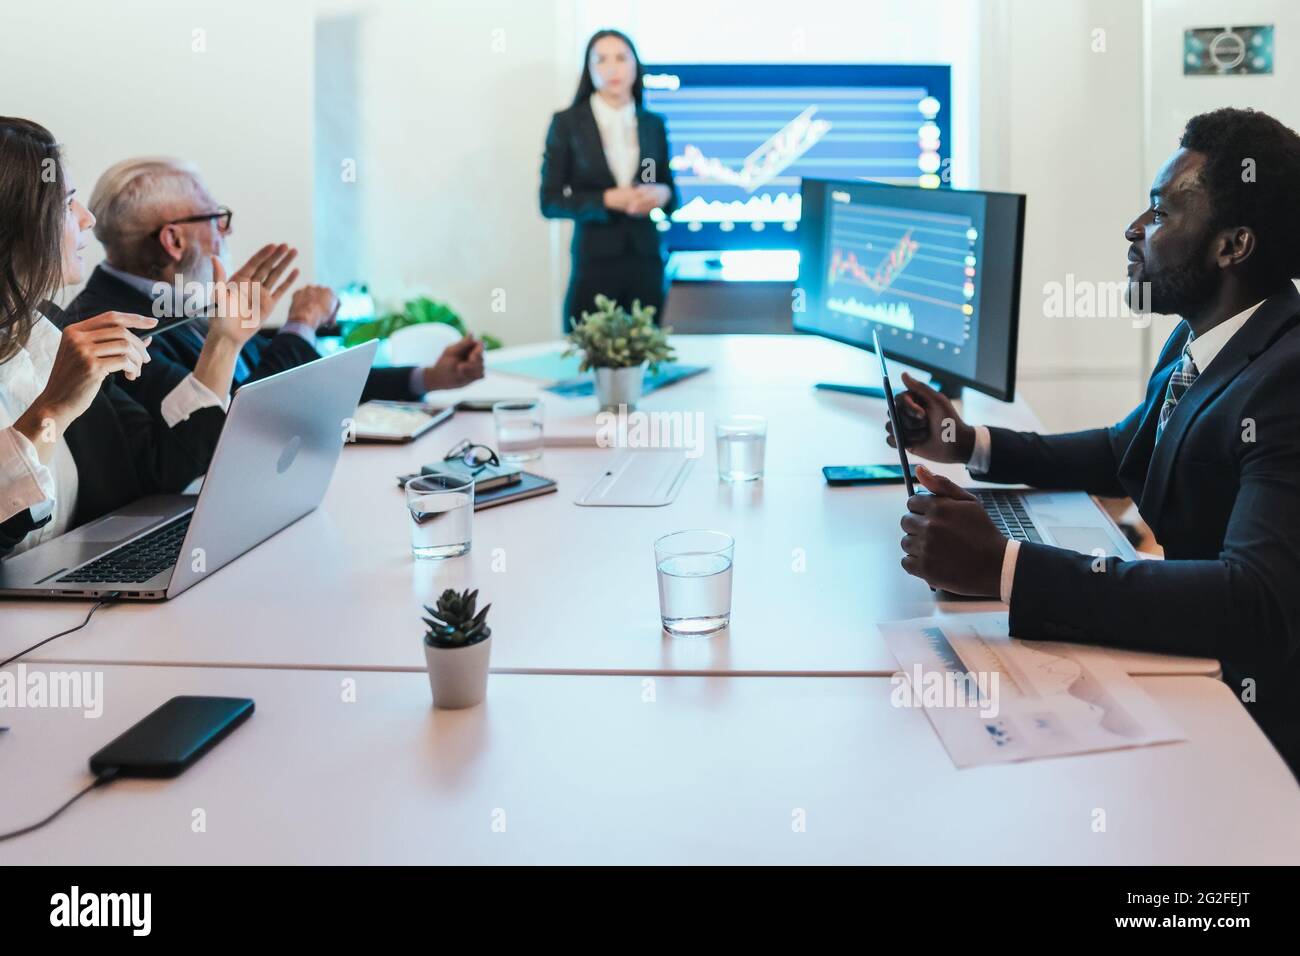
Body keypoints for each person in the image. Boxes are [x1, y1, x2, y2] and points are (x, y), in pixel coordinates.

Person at [889, 107, 1300, 775]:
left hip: (1254, 730)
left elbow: (1252, 603)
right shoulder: (1204, 339)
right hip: (1192, 671)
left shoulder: (1287, 381)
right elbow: (1124, 451)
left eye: (1161, 214)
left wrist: (1004, 568)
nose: (1135, 230)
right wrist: (967, 443)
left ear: (1233, 247)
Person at [0, 119, 262, 558]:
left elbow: (156, 470)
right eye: (67, 205)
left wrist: (224, 341)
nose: (88, 220)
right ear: (19, 225)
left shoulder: (46, 329)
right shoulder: (83, 328)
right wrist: (52, 409)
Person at [66, 158, 484, 415]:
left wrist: (428, 378)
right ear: (174, 240)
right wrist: (300, 324)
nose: (227, 233)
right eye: (217, 218)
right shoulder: (115, 330)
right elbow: (240, 421)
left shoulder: (182, 297)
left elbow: (297, 380)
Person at [540, 29, 678, 331]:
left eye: (621, 58)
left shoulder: (652, 124)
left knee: (645, 353)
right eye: (601, 60)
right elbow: (549, 202)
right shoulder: (568, 124)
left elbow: (665, 184)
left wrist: (661, 193)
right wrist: (606, 199)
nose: (613, 68)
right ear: (589, 69)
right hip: (595, 261)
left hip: (646, 259)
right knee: (590, 351)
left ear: (635, 65)